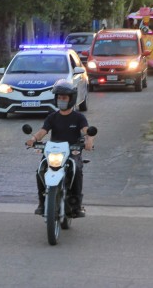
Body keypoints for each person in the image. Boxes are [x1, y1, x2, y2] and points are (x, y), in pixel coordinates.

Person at [26, 79, 95, 218]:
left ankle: (76, 204)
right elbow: (43, 131)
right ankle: (42, 202)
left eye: (64, 97)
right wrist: (33, 139)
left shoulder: (78, 117)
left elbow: (87, 131)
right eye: (59, 97)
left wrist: (89, 141)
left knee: (77, 168)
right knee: (41, 168)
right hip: (53, 151)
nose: (61, 100)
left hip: (72, 151)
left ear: (71, 99)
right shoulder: (52, 117)